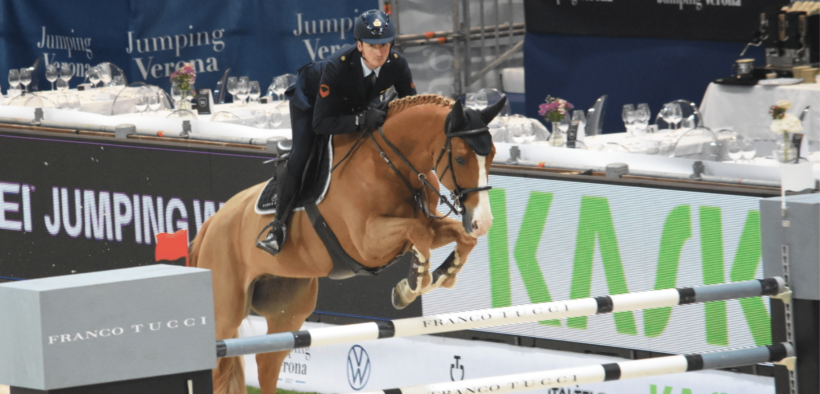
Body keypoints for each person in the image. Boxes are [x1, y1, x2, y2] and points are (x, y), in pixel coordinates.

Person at [257, 9, 417, 255]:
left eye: (385, 45)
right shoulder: (337, 67)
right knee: (302, 154)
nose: (379, 52)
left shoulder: (397, 64)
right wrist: (362, 119)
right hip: (312, 103)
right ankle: (277, 228)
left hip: (356, 101)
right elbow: (321, 124)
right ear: (359, 45)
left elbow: (412, 108)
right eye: (372, 46)